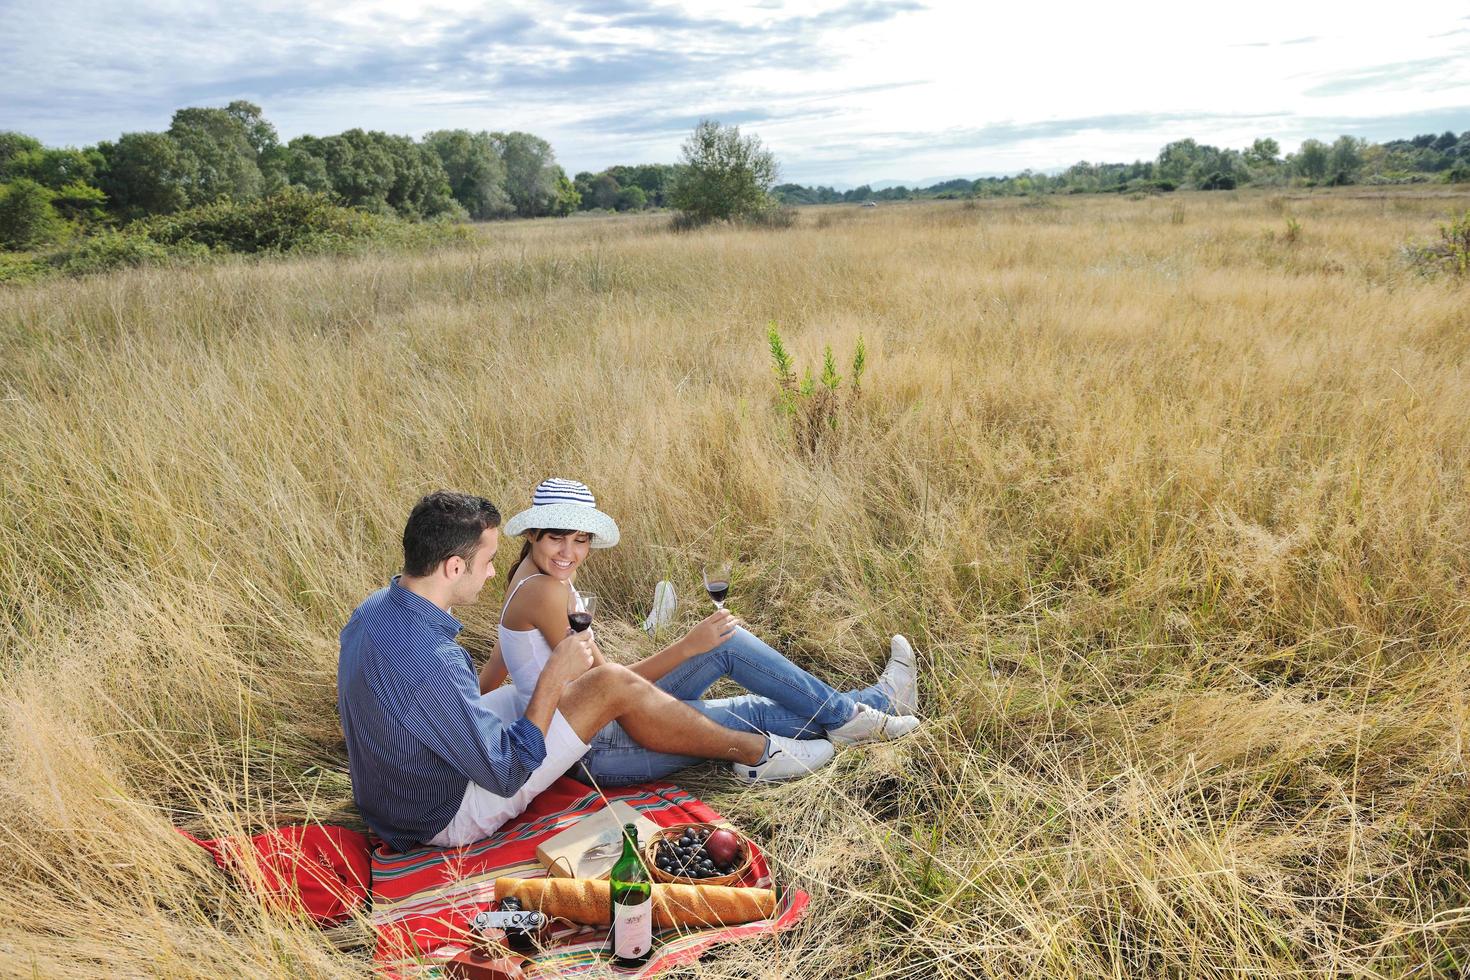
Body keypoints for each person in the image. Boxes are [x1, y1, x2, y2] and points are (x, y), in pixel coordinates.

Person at [337, 490, 835, 852]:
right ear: (451, 567)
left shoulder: (375, 611)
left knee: (578, 692)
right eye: (487, 562)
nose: (493, 573)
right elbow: (505, 773)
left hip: (396, 798)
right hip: (442, 814)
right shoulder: (431, 658)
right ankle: (759, 751)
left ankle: (851, 710)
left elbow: (465, 688)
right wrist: (556, 675)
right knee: (615, 684)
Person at [481, 478, 921, 787]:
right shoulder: (544, 592)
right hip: (598, 747)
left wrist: (471, 714)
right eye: (558, 537)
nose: (570, 551)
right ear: (534, 532)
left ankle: (862, 713)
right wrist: (688, 645)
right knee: (755, 708)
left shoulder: (528, 578)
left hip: (605, 722)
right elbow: (608, 685)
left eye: (581, 540)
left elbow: (500, 659)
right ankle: (866, 711)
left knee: (725, 641)